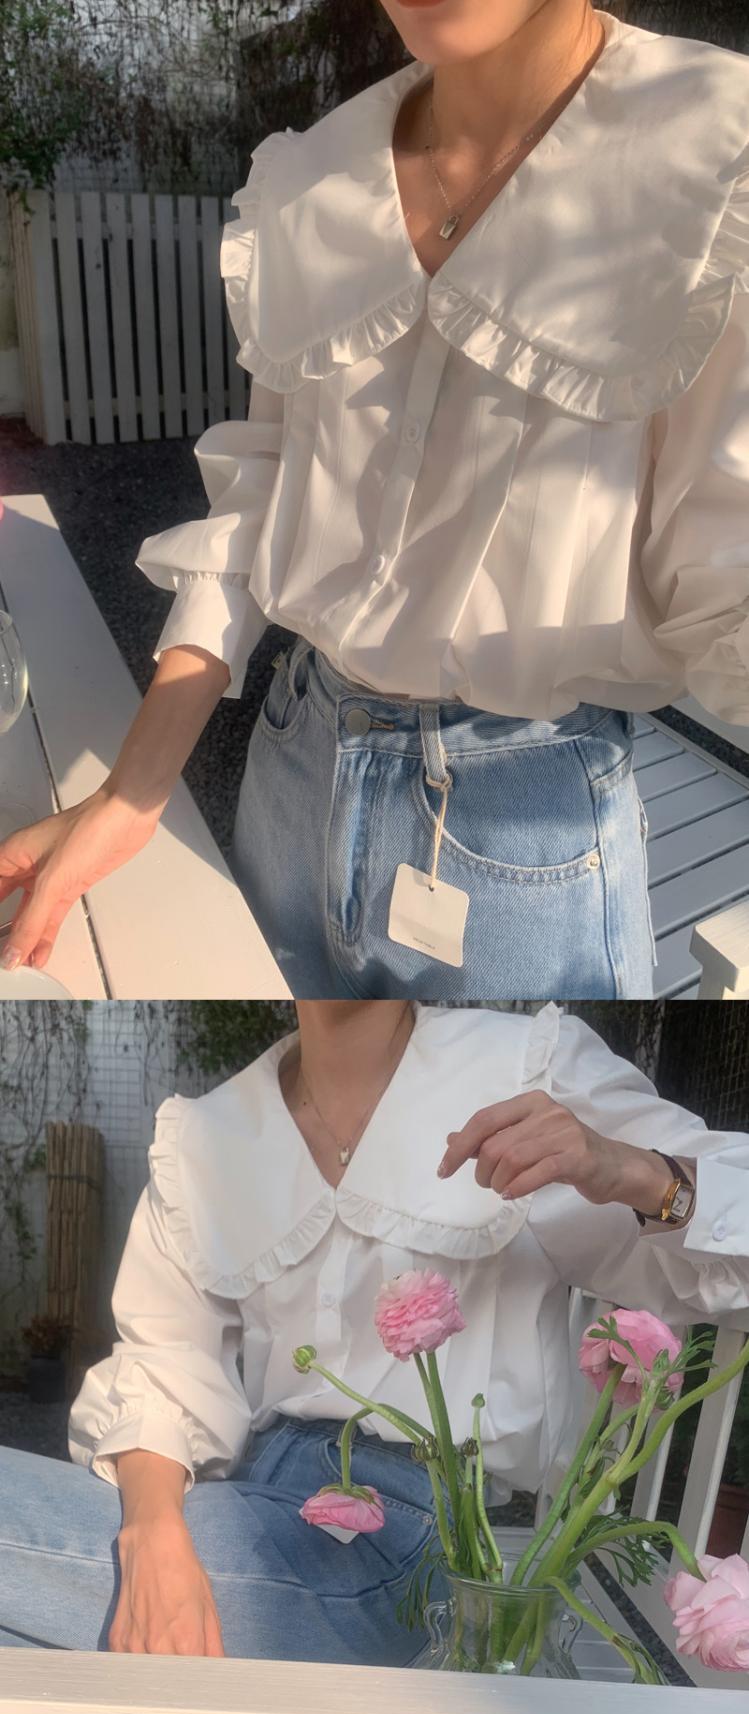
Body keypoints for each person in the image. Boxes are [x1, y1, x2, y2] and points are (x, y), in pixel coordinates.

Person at [2, 7, 749, 999]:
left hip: (524, 830)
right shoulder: (313, 175)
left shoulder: (714, 151)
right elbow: (261, 492)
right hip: (289, 770)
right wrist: (130, 792)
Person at [1, 993, 747, 1659]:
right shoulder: (207, 1135)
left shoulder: (526, 1068)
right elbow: (166, 1359)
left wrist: (631, 1170)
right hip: (246, 1508)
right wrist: (153, 1535)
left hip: (424, 1544)